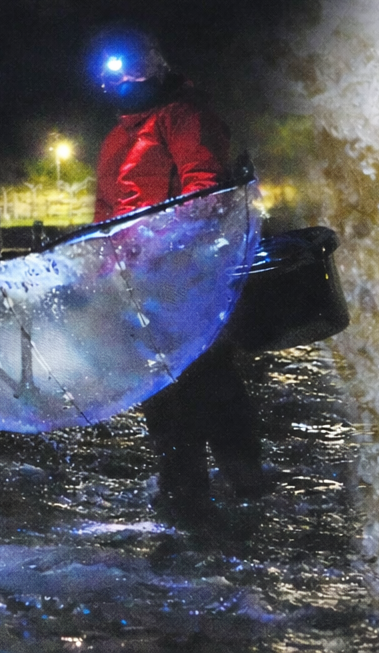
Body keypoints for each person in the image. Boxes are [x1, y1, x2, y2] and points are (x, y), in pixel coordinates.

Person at [90, 28, 267, 522]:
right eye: (116, 69)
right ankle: (182, 491)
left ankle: (246, 483)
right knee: (163, 390)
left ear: (157, 63)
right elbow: (106, 213)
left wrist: (160, 242)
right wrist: (106, 267)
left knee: (209, 379)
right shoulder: (118, 135)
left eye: (136, 63)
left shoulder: (185, 115)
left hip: (187, 277)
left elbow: (204, 188)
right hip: (141, 287)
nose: (126, 76)